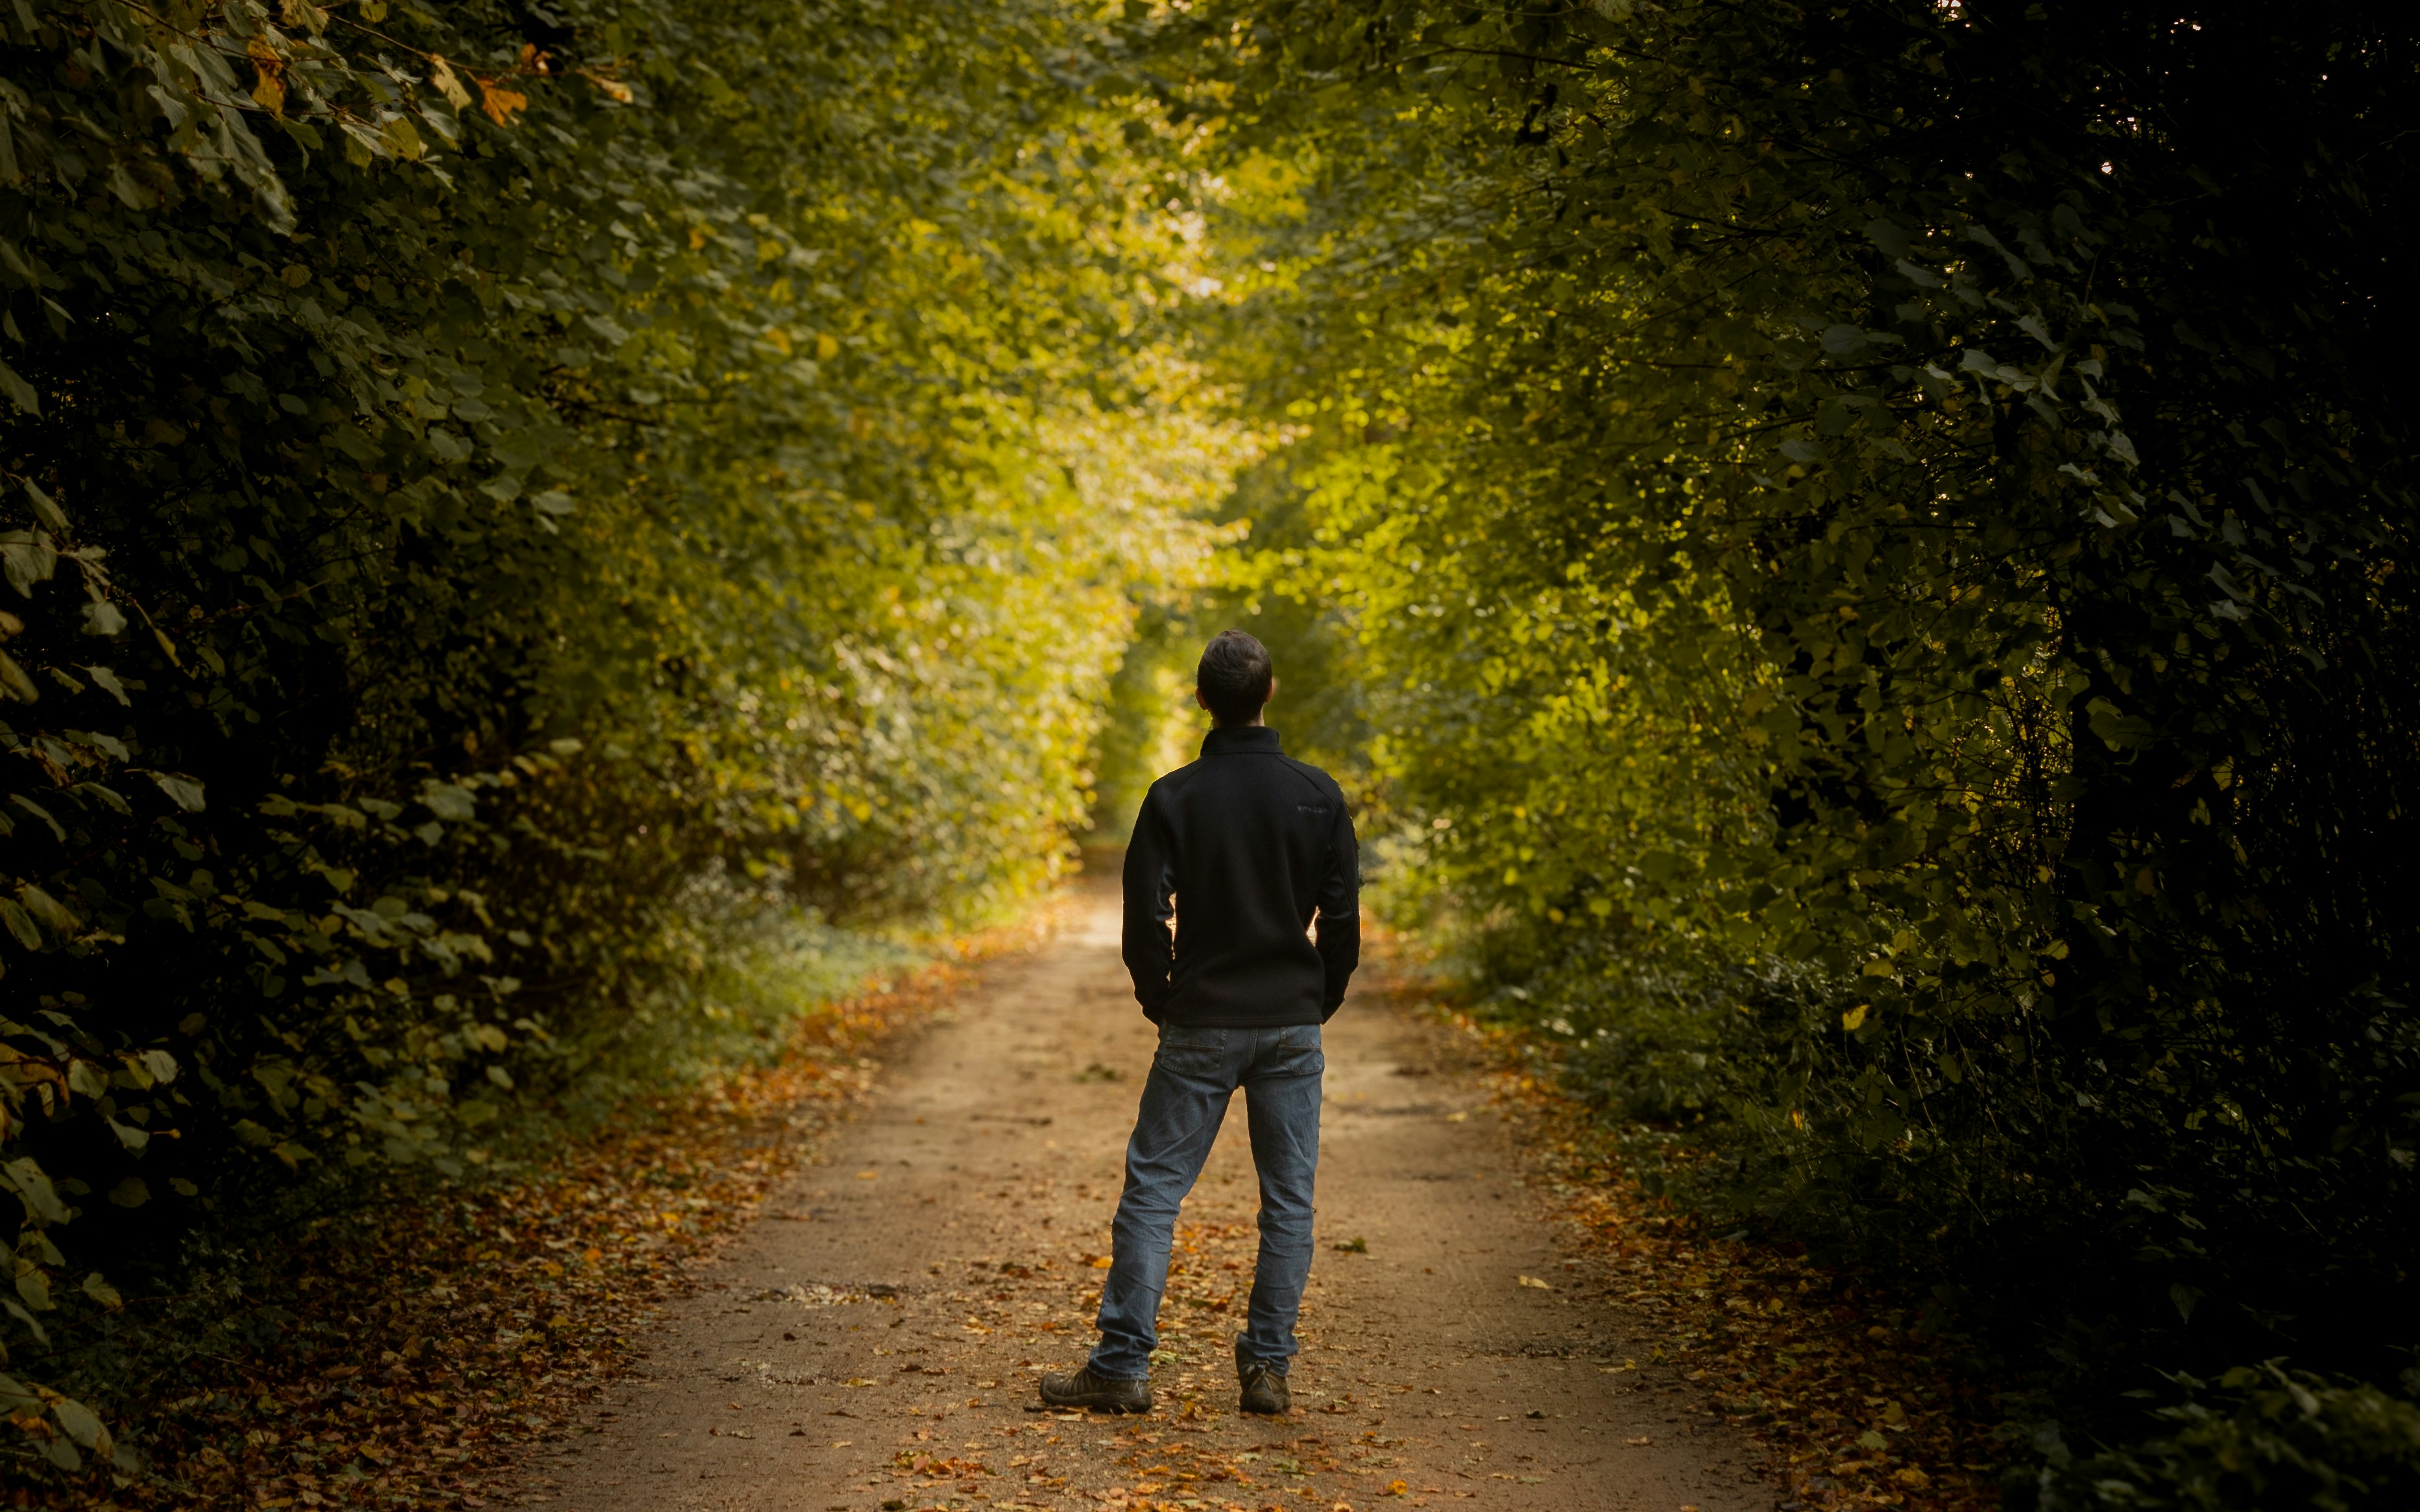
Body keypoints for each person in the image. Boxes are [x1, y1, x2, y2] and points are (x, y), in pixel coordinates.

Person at [1039, 629, 1360, 1417]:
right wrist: (1317, 999)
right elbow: (1342, 920)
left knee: (1153, 1191)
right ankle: (1267, 1372)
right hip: (1290, 1021)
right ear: (1270, 693)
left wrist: (1163, 999)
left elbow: (1143, 918)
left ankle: (1121, 1367)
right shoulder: (1316, 794)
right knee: (1288, 1202)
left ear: (1200, 699)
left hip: (1201, 1023)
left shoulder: (1174, 796)